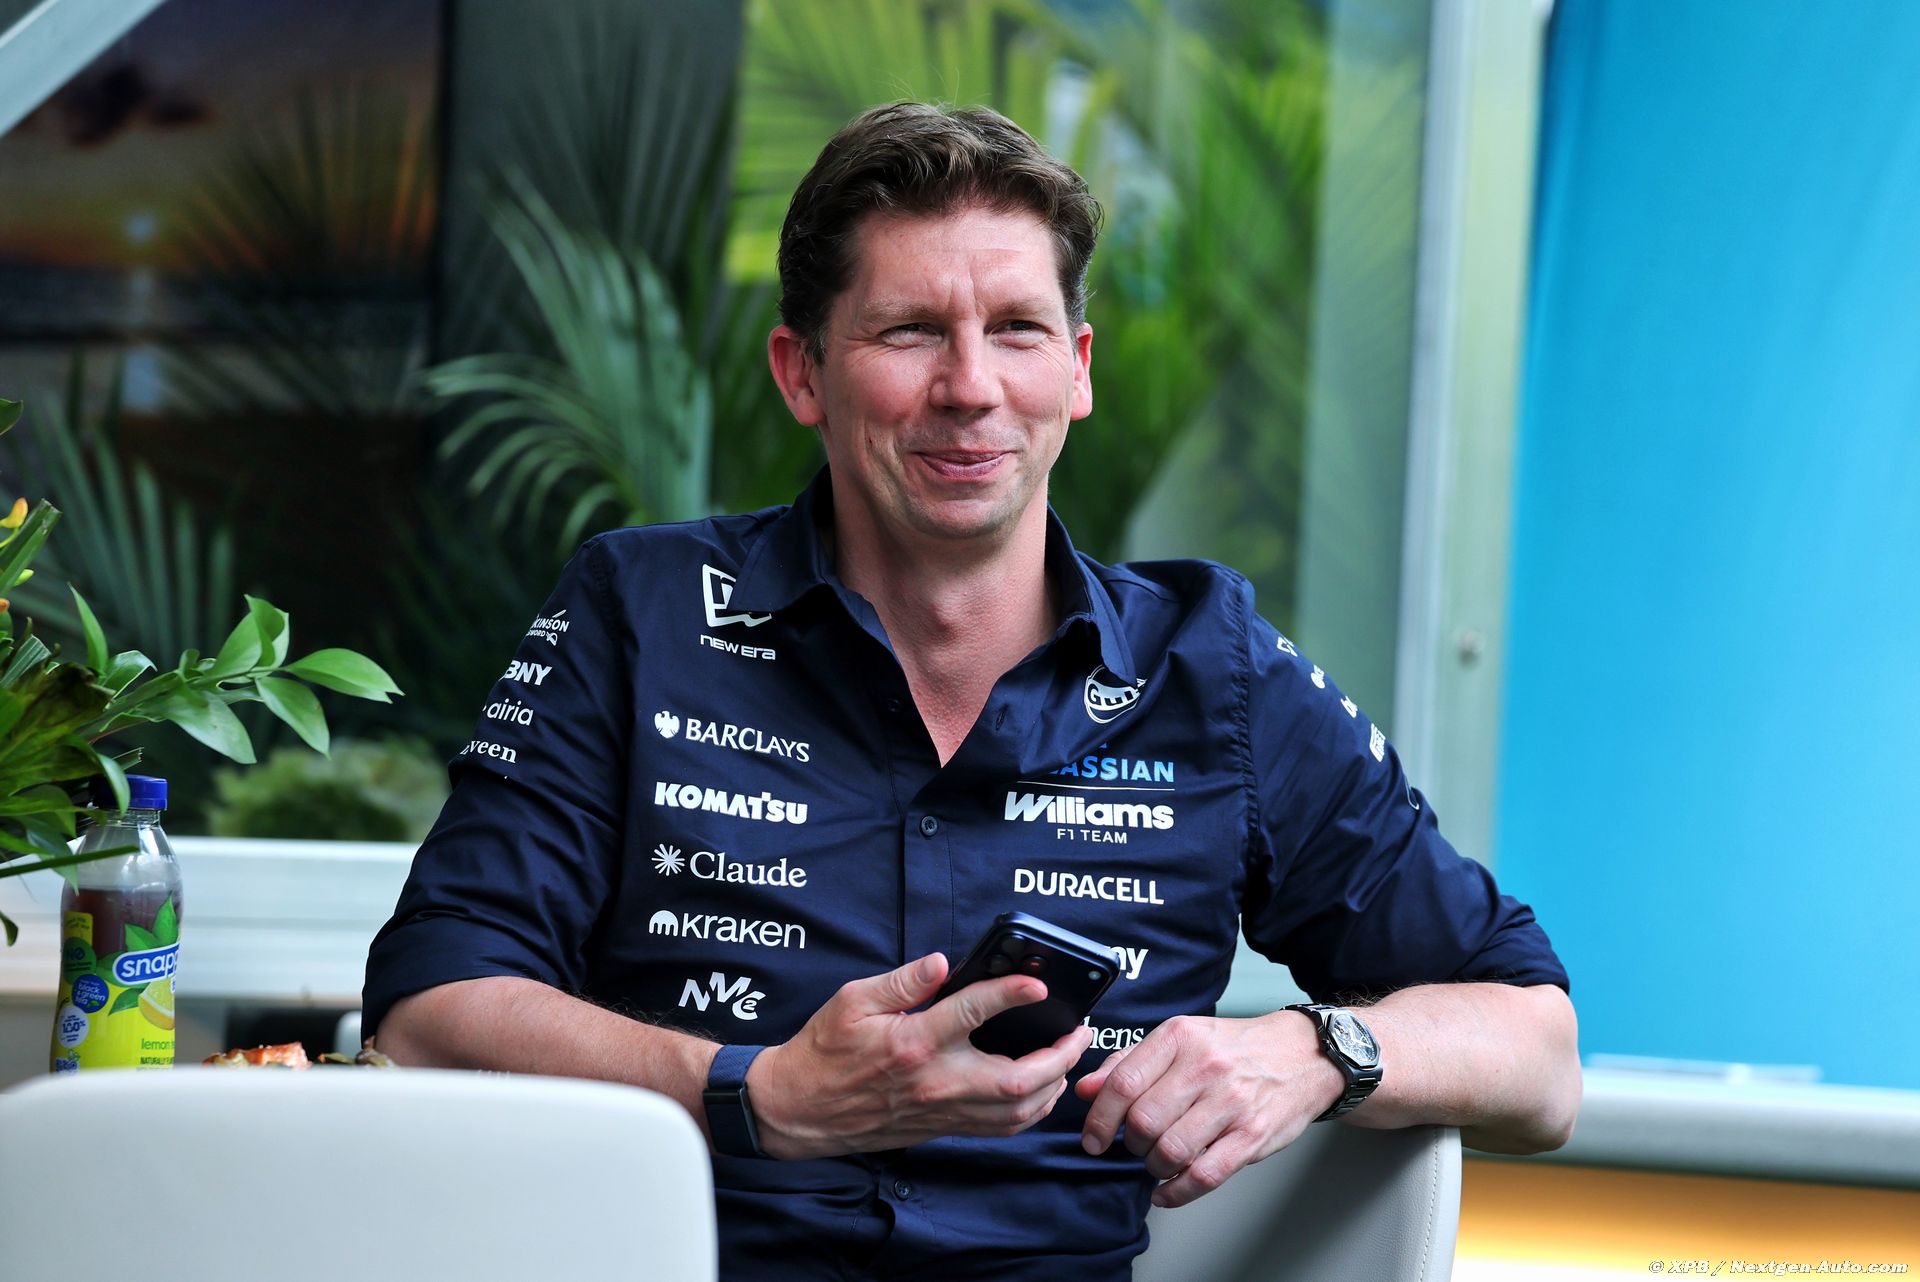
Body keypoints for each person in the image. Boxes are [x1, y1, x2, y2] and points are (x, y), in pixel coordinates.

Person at [366, 101, 1578, 1279]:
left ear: (1078, 370)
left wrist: (1320, 1047)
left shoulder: (1211, 669)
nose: (970, 385)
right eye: (909, 332)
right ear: (802, 372)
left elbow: (1536, 1045)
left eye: (1017, 328)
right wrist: (759, 1092)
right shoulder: (641, 613)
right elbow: (426, 1013)